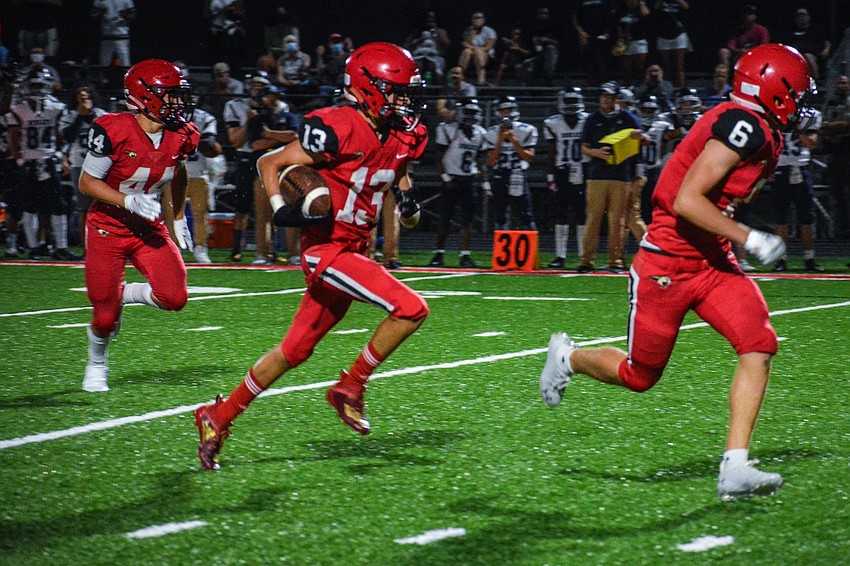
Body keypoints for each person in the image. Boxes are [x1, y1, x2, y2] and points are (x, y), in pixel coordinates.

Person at [540, 44, 813, 501]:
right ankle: (568, 358)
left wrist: (733, 240)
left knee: (759, 344)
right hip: (668, 261)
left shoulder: (755, 126)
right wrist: (750, 237)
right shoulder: (744, 126)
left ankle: (735, 466)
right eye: (799, 92)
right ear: (777, 91)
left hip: (712, 260)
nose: (803, 102)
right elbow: (687, 201)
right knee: (639, 377)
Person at [193, 42, 429, 470]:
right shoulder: (338, 126)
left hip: (355, 249)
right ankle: (351, 386)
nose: (405, 100)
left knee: (295, 350)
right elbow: (271, 162)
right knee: (411, 309)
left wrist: (407, 199)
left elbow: (399, 164)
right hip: (326, 250)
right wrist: (280, 207)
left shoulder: (404, 132)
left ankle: (217, 416)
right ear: (368, 88)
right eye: (395, 90)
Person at [79, 59, 198, 392]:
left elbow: (180, 172)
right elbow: (87, 182)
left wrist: (176, 217)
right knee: (104, 319)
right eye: (170, 95)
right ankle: (97, 362)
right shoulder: (113, 129)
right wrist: (126, 200)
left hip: (148, 228)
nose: (178, 103)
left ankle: (125, 294)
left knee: (174, 297)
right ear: (145, 96)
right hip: (108, 227)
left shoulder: (181, 134)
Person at [7, 66, 79, 261]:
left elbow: (62, 136)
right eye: (34, 85)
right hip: (29, 164)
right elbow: (13, 136)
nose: (37, 89)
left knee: (58, 207)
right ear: (27, 86)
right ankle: (34, 248)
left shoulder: (55, 108)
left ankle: (61, 248)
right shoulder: (19, 110)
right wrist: (18, 158)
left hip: (48, 161)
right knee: (29, 207)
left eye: (40, 85)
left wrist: (62, 155)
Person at [577, 82, 647, 273]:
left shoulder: (627, 117)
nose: (605, 100)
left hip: (621, 175)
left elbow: (644, 139)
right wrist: (597, 153)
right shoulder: (592, 119)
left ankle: (615, 261)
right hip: (597, 174)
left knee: (618, 220)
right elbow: (583, 147)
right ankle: (586, 261)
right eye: (602, 96)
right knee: (593, 218)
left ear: (616, 99)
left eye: (609, 96)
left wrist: (639, 136)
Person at [430, 98, 488, 268]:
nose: (470, 116)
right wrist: (446, 178)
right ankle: (439, 254)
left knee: (467, 220)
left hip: (469, 180)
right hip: (452, 180)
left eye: (473, 113)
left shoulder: (480, 133)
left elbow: (480, 161)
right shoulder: (447, 130)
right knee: (444, 218)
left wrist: (485, 185)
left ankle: (465, 255)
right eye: (468, 112)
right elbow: (438, 157)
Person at [772, 108, 823, 272]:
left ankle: (809, 258)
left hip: (800, 168)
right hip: (780, 169)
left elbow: (811, 143)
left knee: (806, 217)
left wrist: (797, 129)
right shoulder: (775, 112)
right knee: (781, 217)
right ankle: (781, 259)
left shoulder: (810, 115)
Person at [543, 87, 589, 268]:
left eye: (573, 101)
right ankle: (560, 255)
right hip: (562, 169)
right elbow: (551, 152)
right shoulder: (553, 122)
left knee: (581, 214)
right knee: (561, 213)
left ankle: (583, 255)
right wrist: (550, 176)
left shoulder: (587, 120)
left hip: (583, 169)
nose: (571, 105)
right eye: (567, 101)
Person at [60, 86, 107, 256]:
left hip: (101, 164)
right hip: (80, 164)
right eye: (79, 97)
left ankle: (106, 247)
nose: (83, 99)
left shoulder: (101, 115)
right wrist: (81, 116)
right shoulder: (70, 115)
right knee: (84, 209)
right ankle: (88, 249)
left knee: (105, 207)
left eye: (86, 96)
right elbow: (67, 136)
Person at [484, 95, 538, 231]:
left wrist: (515, 142)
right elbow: (491, 162)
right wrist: (500, 141)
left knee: (526, 215)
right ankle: (501, 251)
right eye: (503, 111)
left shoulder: (526, 130)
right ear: (498, 113)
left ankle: (531, 250)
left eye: (509, 110)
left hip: (518, 174)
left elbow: (529, 158)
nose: (506, 114)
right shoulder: (491, 132)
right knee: (500, 217)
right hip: (500, 175)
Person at [819, 75, 850, 239]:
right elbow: (821, 127)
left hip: (847, 152)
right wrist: (833, 128)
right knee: (837, 195)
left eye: (845, 82)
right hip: (833, 154)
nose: (842, 85)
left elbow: (846, 124)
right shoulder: (830, 103)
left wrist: (829, 127)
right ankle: (841, 231)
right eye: (839, 82)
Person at [570, 0, 616, 86]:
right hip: (586, 34)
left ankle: (605, 87)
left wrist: (608, 31)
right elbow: (574, 16)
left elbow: (612, 15)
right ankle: (591, 86)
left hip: (601, 35)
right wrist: (580, 32)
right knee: (589, 62)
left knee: (602, 62)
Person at [782, 7, 831, 82]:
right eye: (799, 16)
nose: (801, 18)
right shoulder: (790, 32)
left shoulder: (816, 30)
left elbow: (827, 42)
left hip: (814, 57)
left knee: (808, 57)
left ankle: (816, 80)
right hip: (795, 57)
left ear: (808, 17)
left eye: (804, 15)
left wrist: (826, 50)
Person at [718, 4, 769, 73]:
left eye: (750, 14)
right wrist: (738, 51)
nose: (748, 16)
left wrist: (749, 52)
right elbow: (730, 45)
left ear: (755, 16)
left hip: (755, 56)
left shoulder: (762, 30)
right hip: (739, 56)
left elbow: (764, 47)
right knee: (723, 52)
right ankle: (724, 77)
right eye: (746, 14)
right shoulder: (738, 30)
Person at [405, 10, 451, 85]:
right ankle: (416, 89)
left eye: (432, 18)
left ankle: (437, 90)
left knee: (433, 66)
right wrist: (420, 40)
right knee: (417, 66)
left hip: (434, 57)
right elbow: (407, 46)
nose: (430, 20)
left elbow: (446, 44)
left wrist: (436, 31)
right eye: (428, 18)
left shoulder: (440, 31)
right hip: (419, 56)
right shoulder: (417, 32)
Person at [615, 0, 652, 87]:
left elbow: (646, 14)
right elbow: (617, 25)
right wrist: (620, 38)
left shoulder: (641, 9)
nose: (632, 2)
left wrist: (641, 4)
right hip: (625, 42)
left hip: (639, 40)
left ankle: (641, 87)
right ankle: (628, 87)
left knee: (640, 68)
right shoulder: (621, 10)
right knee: (627, 69)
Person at [653, 0, 690, 88]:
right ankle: (667, 89)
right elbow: (655, 9)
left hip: (678, 34)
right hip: (663, 35)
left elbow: (686, 7)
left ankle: (682, 89)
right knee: (666, 66)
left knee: (679, 66)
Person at [91, 0, 136, 68]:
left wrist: (125, 15)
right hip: (106, 36)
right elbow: (93, 16)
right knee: (104, 63)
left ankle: (126, 78)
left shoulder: (126, 1)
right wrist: (101, 13)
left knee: (125, 64)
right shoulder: (100, 1)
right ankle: (103, 78)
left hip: (122, 36)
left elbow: (133, 16)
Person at [457, 11, 497, 86]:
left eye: (479, 18)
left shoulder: (490, 31)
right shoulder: (469, 30)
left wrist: (473, 48)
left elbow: (488, 48)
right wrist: (472, 33)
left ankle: (481, 80)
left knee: (478, 52)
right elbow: (465, 44)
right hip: (471, 56)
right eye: (474, 18)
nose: (476, 20)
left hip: (487, 56)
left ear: (483, 20)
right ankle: (460, 77)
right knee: (466, 51)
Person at [527, 6, 562, 85]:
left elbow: (560, 44)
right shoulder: (532, 27)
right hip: (534, 55)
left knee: (551, 49)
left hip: (549, 55)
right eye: (541, 13)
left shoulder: (555, 26)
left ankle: (548, 79)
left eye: (545, 13)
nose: (543, 15)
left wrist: (548, 40)